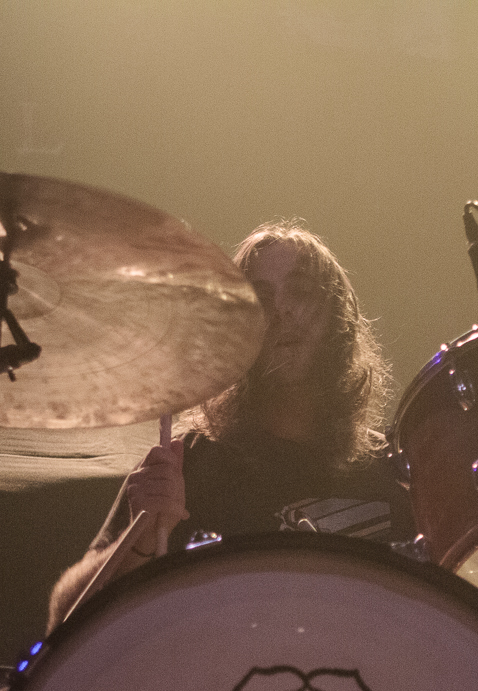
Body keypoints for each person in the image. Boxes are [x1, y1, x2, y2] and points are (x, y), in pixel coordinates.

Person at [46, 221, 414, 629]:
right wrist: (142, 543)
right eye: (260, 296)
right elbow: (64, 623)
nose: (282, 309)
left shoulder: (397, 469)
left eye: (302, 291)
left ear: (339, 319)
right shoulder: (188, 465)